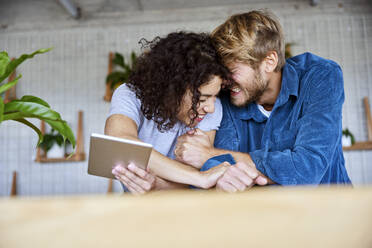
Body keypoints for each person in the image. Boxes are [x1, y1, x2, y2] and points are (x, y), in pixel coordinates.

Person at [174, 10, 352, 192]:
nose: (225, 82)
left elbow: (307, 168)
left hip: (329, 209)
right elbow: (216, 171)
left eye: (232, 71)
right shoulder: (226, 97)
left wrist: (211, 155)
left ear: (269, 61)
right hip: (265, 216)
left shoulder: (320, 76)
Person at [105, 32, 233, 194]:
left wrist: (157, 184)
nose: (211, 108)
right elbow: (119, 143)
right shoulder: (129, 94)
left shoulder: (211, 108)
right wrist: (199, 177)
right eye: (201, 99)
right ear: (172, 90)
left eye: (214, 97)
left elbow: (188, 185)